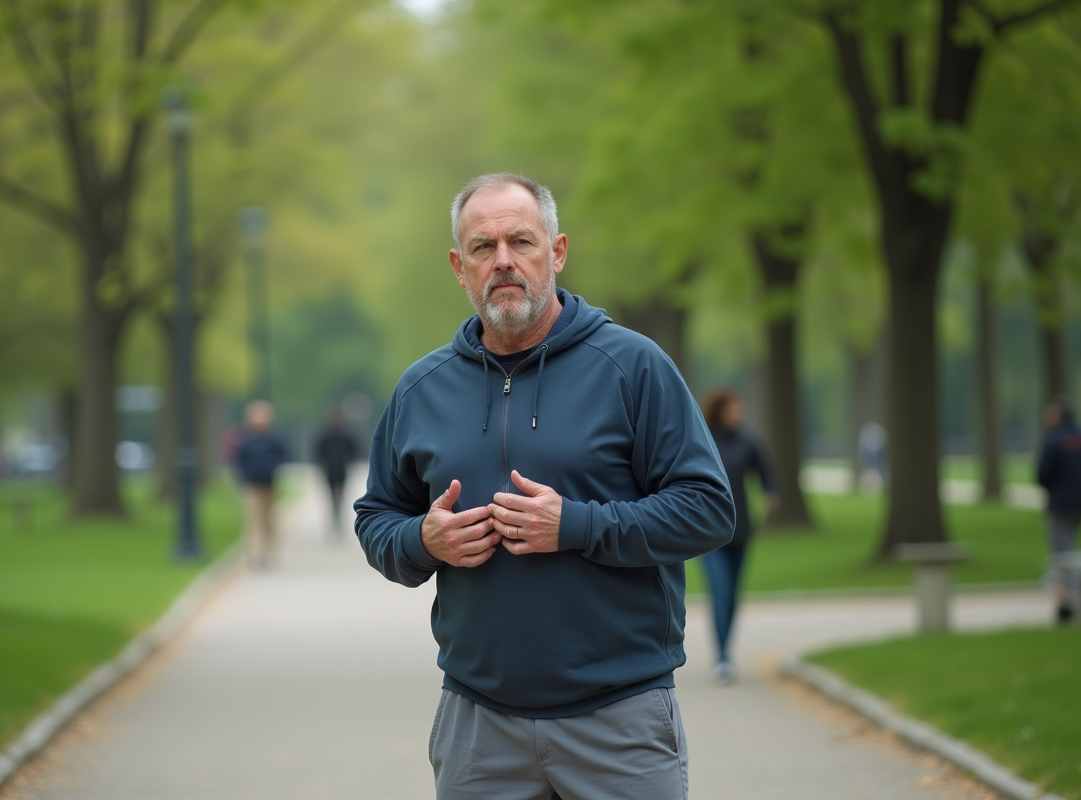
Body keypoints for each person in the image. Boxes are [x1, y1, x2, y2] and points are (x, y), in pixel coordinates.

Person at [354, 173, 735, 800]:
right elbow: (376, 518)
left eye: (521, 241)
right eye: (483, 247)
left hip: (620, 716)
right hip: (479, 724)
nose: (503, 261)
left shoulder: (633, 367)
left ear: (556, 252)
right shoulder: (421, 389)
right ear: (459, 266)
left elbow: (708, 509)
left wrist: (578, 526)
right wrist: (423, 540)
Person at [699, 388, 778, 684]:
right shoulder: (703, 439)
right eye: (735, 409)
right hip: (708, 532)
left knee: (732, 595)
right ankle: (722, 658)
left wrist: (772, 493)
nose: (739, 414)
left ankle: (725, 649)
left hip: (741, 529)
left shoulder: (748, 441)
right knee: (720, 592)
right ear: (721, 410)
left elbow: (766, 471)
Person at [1036, 396, 1081, 622]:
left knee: (1063, 554)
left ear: (1057, 416)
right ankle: (1068, 598)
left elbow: (1042, 474)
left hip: (1061, 504)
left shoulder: (1054, 440)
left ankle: (1067, 603)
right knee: (1068, 547)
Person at [235, 400, 291, 569]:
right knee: (253, 521)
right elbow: (239, 461)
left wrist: (272, 465)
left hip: (269, 485)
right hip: (251, 486)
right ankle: (255, 554)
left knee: (268, 521)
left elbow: (285, 456)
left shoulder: (274, 440)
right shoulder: (246, 441)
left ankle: (267, 551)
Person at [315, 408, 358, 537]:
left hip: (341, 470)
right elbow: (319, 452)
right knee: (331, 496)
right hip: (330, 470)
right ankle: (334, 517)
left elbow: (354, 450)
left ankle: (338, 518)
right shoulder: (326, 436)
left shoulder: (345, 436)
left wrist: (348, 462)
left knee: (341, 496)